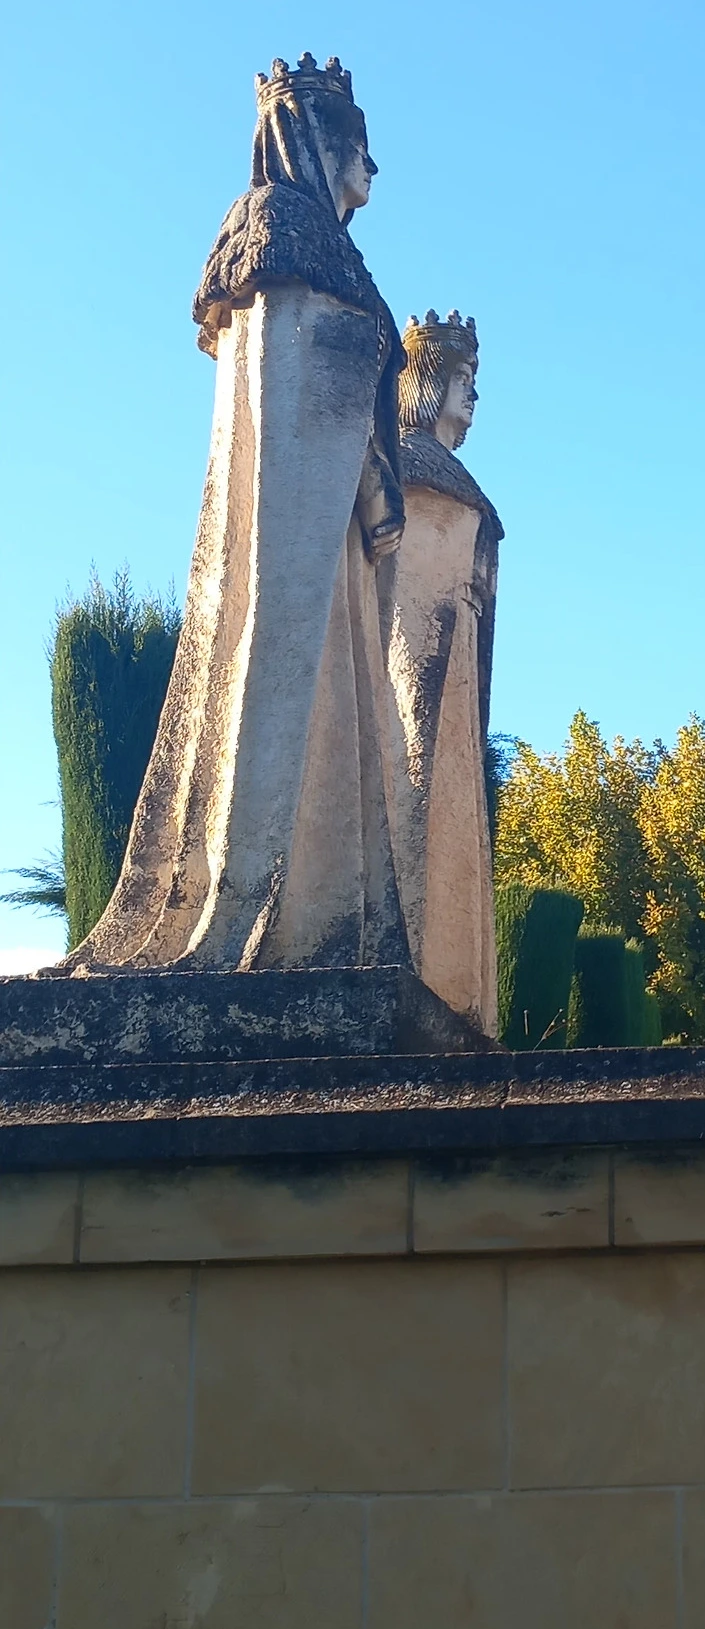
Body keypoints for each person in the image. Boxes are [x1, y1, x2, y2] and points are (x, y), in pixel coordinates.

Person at [64, 56, 412, 972]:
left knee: (337, 715)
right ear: (319, 138)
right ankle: (248, 916)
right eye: (360, 146)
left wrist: (373, 476)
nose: (371, 168)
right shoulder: (275, 229)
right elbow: (292, 390)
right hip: (292, 532)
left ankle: (328, 926)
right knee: (269, 686)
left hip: (333, 534)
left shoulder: (330, 250)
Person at [387, 309, 503, 1033]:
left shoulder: (451, 474)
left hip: (456, 651)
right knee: (415, 791)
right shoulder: (402, 460)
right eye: (463, 377)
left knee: (450, 806)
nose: (474, 394)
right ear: (427, 381)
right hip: (416, 647)